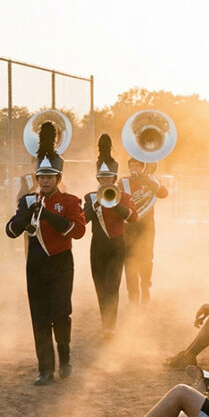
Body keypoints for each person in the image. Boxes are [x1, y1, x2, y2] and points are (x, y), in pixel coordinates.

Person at [5, 121, 86, 385]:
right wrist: (25, 216)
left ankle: (65, 358)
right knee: (39, 317)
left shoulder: (71, 201)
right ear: (36, 178)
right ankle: (45, 369)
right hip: (36, 264)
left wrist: (49, 214)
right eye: (41, 177)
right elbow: (10, 230)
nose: (45, 181)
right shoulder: (27, 201)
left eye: (50, 177)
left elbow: (78, 231)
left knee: (61, 314)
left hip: (62, 263)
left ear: (58, 178)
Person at [83, 134, 137, 338]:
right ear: (98, 179)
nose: (105, 181)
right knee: (100, 287)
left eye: (108, 178)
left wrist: (116, 205)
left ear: (114, 179)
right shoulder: (89, 197)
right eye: (102, 178)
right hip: (97, 247)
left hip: (117, 246)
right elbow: (83, 221)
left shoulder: (123, 197)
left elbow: (133, 218)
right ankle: (105, 321)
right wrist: (95, 206)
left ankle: (110, 326)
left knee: (112, 286)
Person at [121, 157, 169, 305]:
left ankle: (145, 287)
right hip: (128, 225)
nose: (134, 168)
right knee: (129, 260)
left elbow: (163, 193)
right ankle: (133, 295)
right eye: (131, 166)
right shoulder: (123, 182)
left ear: (143, 167)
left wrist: (145, 178)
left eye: (137, 165)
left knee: (146, 258)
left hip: (146, 225)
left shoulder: (151, 180)